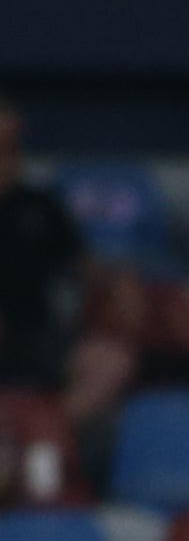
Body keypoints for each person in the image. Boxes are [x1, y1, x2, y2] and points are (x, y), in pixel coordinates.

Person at [0, 95, 83, 390]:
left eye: (11, 149)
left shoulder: (41, 206)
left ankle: (53, 430)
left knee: (107, 358)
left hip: (36, 336)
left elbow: (78, 267)